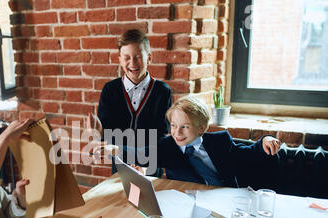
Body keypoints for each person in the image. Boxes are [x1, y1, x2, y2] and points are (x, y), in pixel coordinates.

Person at [108, 96, 281, 188]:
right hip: (189, 203)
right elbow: (140, 154)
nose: (177, 133)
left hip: (226, 198)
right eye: (174, 126)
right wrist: (115, 149)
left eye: (185, 127)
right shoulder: (167, 147)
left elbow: (247, 153)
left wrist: (264, 141)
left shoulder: (220, 142)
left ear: (201, 127)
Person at [96, 29, 172, 175]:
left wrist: (145, 166)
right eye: (127, 57)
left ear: (149, 57)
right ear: (119, 59)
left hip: (149, 166)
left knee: (149, 198)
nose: (133, 63)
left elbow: (160, 136)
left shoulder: (162, 91)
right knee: (120, 198)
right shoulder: (110, 90)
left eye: (138, 56)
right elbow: (107, 136)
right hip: (120, 166)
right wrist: (98, 132)